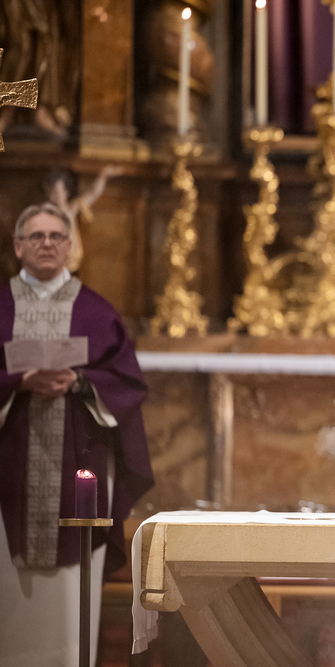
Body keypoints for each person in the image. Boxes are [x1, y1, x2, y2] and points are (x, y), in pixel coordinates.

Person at [0, 203, 153, 667]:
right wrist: (18, 383)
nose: (47, 244)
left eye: (56, 236)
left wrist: (80, 382)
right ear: (18, 246)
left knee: (69, 601)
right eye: (36, 236)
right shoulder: (1, 306)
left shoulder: (95, 311)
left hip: (76, 463)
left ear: (70, 246)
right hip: (9, 469)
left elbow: (126, 383)